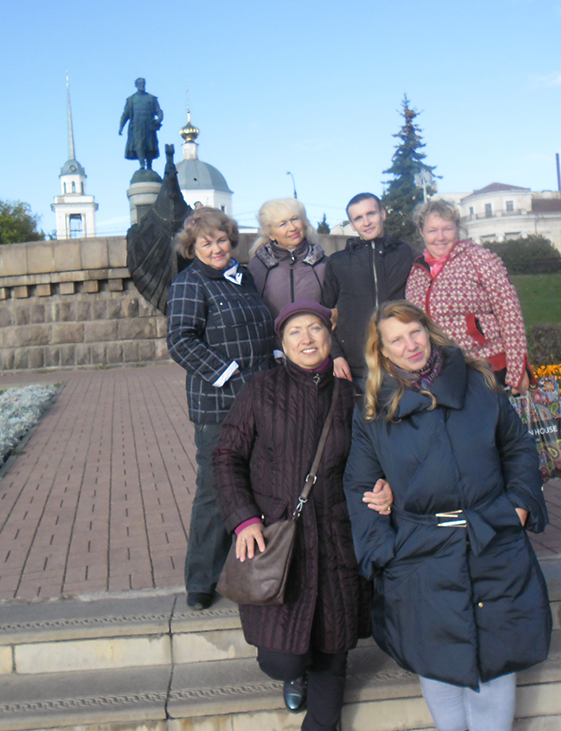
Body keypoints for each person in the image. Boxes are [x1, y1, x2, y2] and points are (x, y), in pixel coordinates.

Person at [343, 301, 551, 731]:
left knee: (496, 663)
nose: (410, 345)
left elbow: (518, 447)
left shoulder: (477, 382)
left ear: (429, 330)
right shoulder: (373, 410)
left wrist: (519, 507)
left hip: (492, 540)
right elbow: (360, 485)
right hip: (420, 553)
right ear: (382, 350)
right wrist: (383, 551)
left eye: (415, 332)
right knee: (438, 667)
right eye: (396, 340)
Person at [213, 301, 392, 731]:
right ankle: (295, 671)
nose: (307, 339)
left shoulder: (352, 396)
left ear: (330, 336)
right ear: (283, 343)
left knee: (333, 647)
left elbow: (382, 458)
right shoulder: (260, 389)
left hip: (336, 540)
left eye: (315, 328)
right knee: (281, 658)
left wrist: (388, 485)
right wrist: (244, 518)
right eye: (295, 331)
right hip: (279, 538)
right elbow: (226, 456)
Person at [166, 207, 275, 610]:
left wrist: (276, 359)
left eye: (222, 240)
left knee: (258, 484)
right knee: (215, 490)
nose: (216, 249)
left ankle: (249, 571)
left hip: (259, 400)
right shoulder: (189, 283)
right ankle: (201, 580)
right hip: (219, 405)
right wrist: (230, 374)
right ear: (192, 247)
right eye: (206, 243)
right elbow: (180, 340)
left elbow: (261, 329)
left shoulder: (244, 277)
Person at [405, 199, 530, 393]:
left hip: (485, 366)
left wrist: (518, 371)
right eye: (432, 230)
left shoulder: (478, 258)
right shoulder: (417, 272)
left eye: (447, 229)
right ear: (422, 232)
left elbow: (509, 313)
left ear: (457, 228)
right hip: (440, 372)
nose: (440, 237)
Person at [320, 193, 414, 385]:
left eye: (371, 214)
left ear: (383, 214)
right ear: (352, 224)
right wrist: (336, 355)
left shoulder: (405, 253)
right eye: (358, 218)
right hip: (356, 367)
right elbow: (323, 314)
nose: (366, 222)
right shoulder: (338, 262)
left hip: (401, 361)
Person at [248, 198, 327, 319]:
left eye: (294, 219)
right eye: (282, 224)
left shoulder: (322, 263)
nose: (292, 228)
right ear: (271, 234)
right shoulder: (257, 267)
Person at [119, 77, 164, 171]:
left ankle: (149, 166)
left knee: (150, 145)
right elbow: (125, 114)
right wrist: (121, 127)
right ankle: (142, 164)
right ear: (136, 85)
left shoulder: (151, 98)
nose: (142, 84)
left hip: (149, 125)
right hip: (137, 125)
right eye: (139, 83)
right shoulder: (131, 99)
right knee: (139, 145)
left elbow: (158, 111)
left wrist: (159, 119)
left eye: (143, 83)